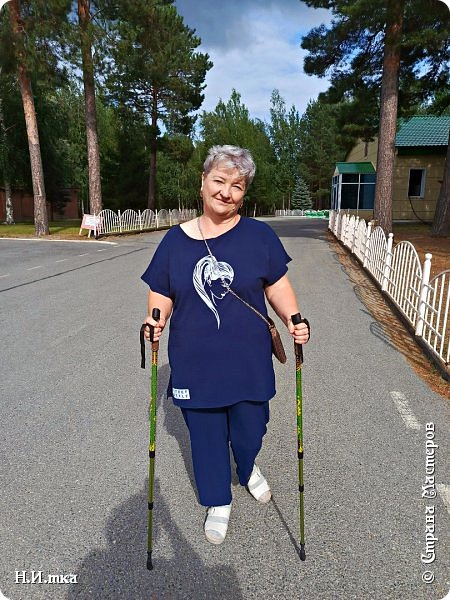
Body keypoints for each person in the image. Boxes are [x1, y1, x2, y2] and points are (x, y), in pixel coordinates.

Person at [141, 145, 310, 545]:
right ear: (202, 183)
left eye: (237, 186)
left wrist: (293, 319)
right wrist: (154, 320)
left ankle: (247, 466)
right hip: (194, 363)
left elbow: (277, 285)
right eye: (219, 181)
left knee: (252, 426)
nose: (226, 192)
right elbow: (161, 290)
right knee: (205, 436)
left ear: (244, 193)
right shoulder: (175, 242)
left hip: (248, 362)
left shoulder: (258, 235)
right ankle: (218, 501)